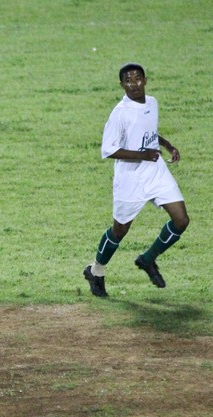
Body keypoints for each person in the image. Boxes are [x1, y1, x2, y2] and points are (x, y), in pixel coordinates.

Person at [84, 63, 189, 298]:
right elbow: (108, 149)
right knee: (120, 230)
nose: (134, 84)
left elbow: (148, 131)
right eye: (128, 80)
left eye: (138, 79)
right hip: (130, 178)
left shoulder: (152, 103)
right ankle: (96, 270)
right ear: (122, 85)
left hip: (155, 171)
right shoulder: (120, 113)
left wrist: (167, 145)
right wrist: (143, 155)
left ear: (145, 80)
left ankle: (148, 259)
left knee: (181, 220)